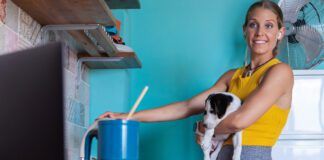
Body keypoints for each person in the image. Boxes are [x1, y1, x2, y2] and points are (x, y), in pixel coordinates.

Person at [99, 0, 293, 159]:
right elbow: (186, 107)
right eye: (253, 24)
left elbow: (240, 120)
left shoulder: (280, 72)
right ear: (244, 30)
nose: (260, 32)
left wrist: (204, 128)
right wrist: (128, 116)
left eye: (269, 25)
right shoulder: (231, 76)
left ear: (280, 32)